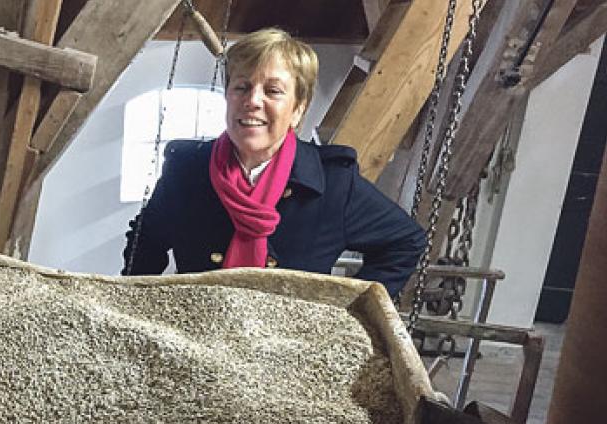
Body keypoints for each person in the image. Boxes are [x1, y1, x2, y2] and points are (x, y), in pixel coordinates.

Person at [122, 28, 425, 297]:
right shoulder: (187, 171)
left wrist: (347, 314)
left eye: (272, 91)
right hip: (198, 335)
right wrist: (142, 309)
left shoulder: (333, 183)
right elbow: (146, 239)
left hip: (289, 341)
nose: (253, 101)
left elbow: (405, 242)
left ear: (298, 109)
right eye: (242, 87)